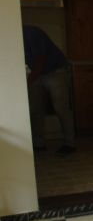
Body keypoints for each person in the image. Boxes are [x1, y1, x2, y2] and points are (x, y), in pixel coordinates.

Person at [23, 25, 76, 155]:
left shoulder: (31, 33)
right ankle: (38, 144)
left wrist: (27, 82)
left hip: (56, 71)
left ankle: (70, 143)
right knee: (35, 108)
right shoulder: (13, 39)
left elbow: (40, 60)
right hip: (37, 73)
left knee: (61, 107)